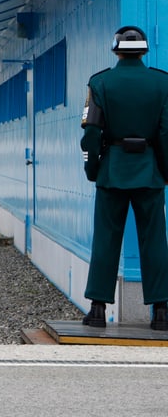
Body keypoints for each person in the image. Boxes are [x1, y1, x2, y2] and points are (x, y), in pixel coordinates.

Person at [81, 25, 168, 330]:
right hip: (149, 172)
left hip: (112, 170)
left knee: (106, 240)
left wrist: (93, 169)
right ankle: (160, 311)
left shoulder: (100, 82)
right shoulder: (162, 83)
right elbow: (166, 134)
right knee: (155, 241)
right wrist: (165, 172)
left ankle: (97, 309)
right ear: (144, 51)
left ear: (116, 50)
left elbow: (91, 134)